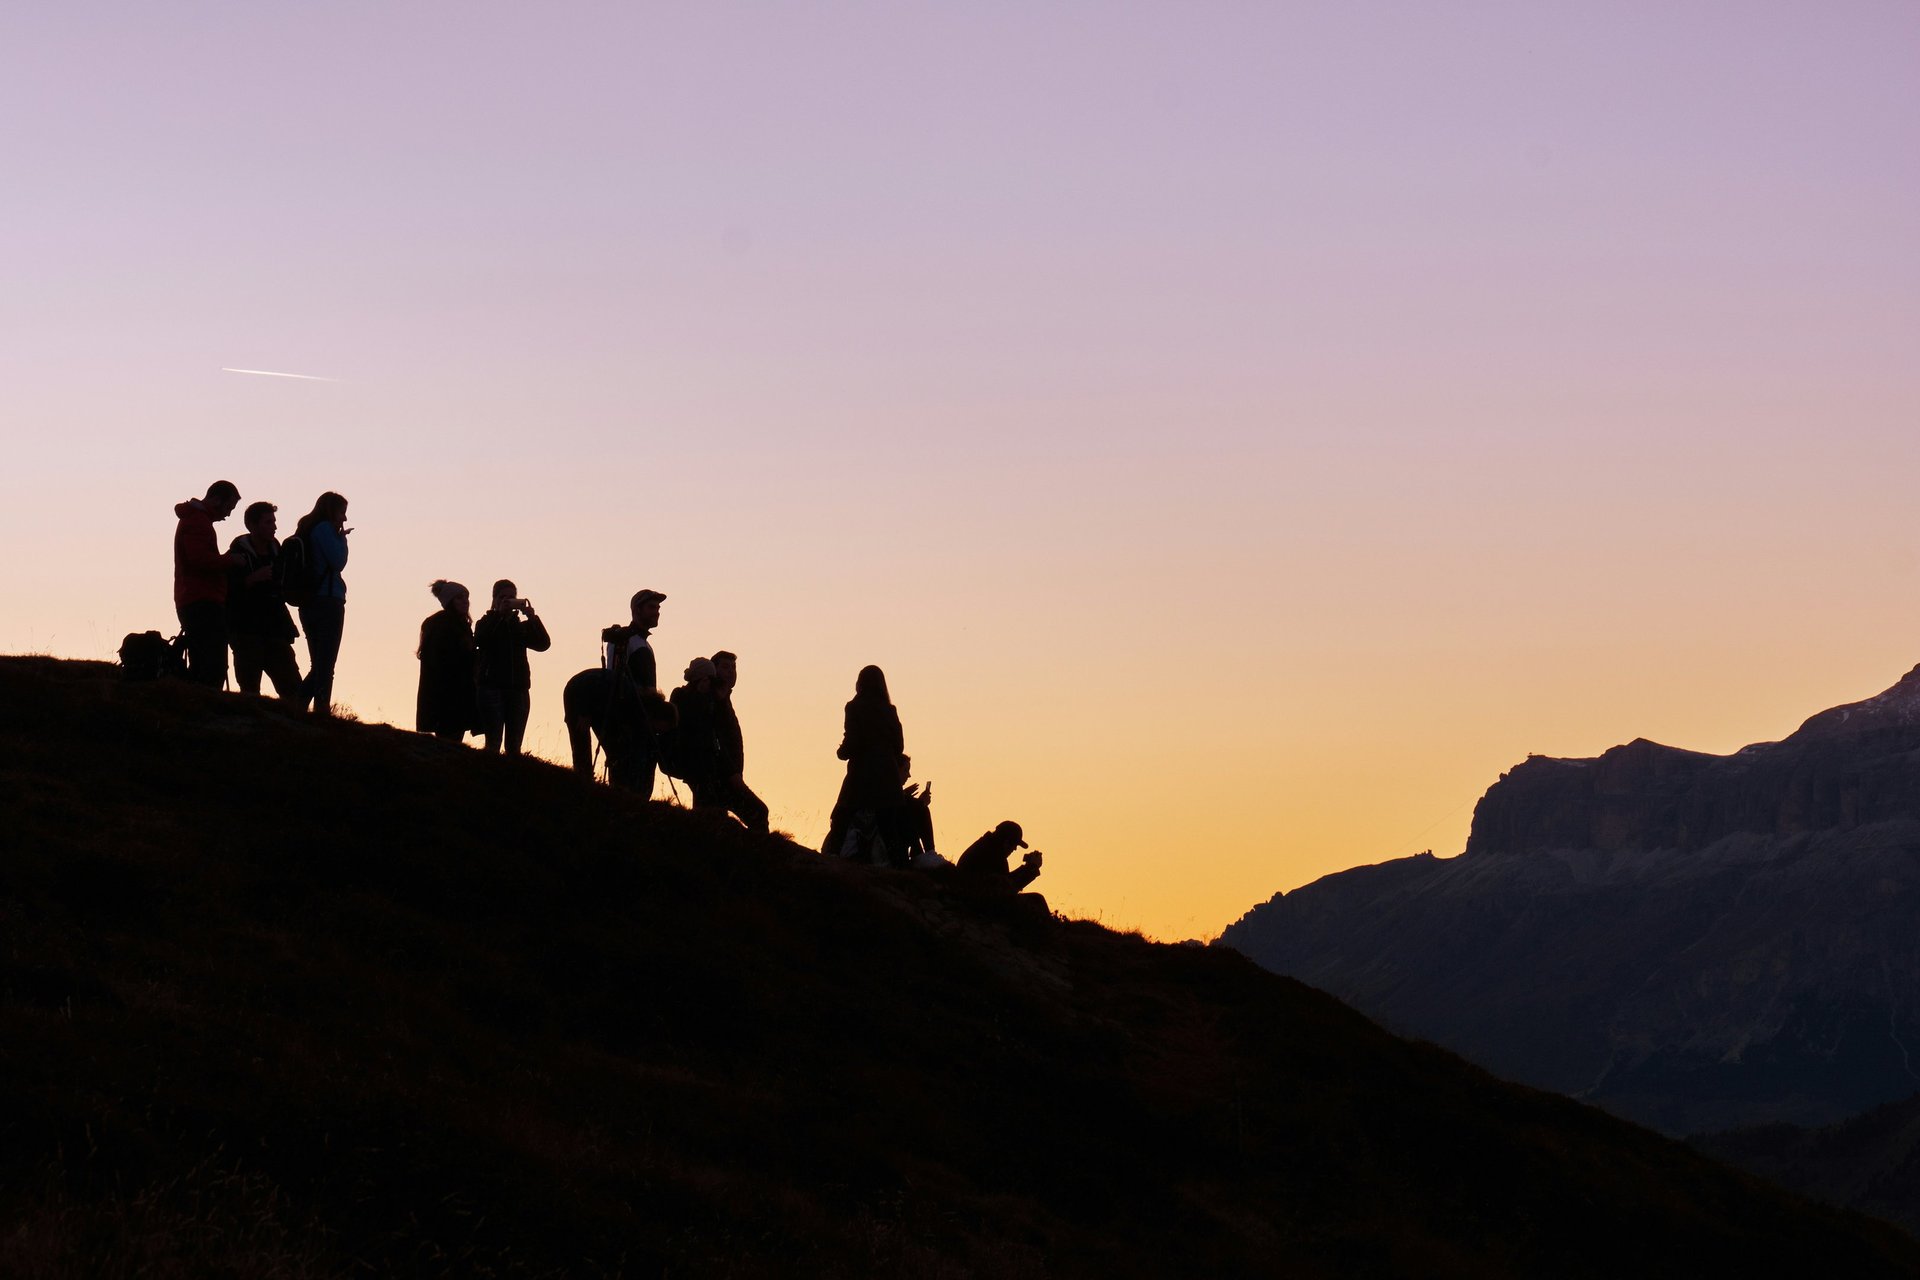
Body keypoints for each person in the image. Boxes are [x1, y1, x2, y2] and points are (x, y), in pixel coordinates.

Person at [823, 665, 905, 865]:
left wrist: (841, 752)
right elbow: (899, 746)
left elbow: (852, 741)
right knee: (889, 829)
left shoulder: (854, 707)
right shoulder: (890, 709)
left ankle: (830, 860)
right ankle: (901, 868)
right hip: (888, 777)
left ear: (860, 683)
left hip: (862, 776)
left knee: (841, 817)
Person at [225, 500, 302, 699]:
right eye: (268, 522)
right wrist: (252, 579)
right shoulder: (236, 554)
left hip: (275, 628)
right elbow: (227, 590)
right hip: (246, 630)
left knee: (293, 689)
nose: (274, 526)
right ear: (252, 525)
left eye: (274, 521)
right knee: (250, 690)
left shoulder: (278, 551)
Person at [172, 480, 242, 688]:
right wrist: (231, 560)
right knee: (212, 664)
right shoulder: (198, 522)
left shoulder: (195, 520)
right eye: (228, 507)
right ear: (216, 499)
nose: (228, 514)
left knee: (202, 660)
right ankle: (206, 706)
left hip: (193, 597)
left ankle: (198, 704)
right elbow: (199, 560)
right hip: (202, 599)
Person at [599, 589, 669, 795]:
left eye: (658, 608)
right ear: (636, 610)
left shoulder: (642, 642)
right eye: (651, 607)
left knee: (643, 777)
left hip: (644, 719)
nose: (657, 612)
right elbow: (613, 678)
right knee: (627, 776)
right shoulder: (623, 640)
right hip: (629, 719)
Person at [473, 579, 551, 755]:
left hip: (518, 689)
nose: (507, 601)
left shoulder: (520, 627)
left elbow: (543, 644)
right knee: (493, 743)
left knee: (514, 746)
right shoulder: (485, 622)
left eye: (512, 597)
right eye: (503, 597)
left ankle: (512, 777)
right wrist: (499, 616)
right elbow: (481, 640)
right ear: (494, 600)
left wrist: (532, 617)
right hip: (491, 687)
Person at [294, 491, 350, 716]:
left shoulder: (306, 529)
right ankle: (317, 709)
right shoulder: (325, 529)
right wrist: (342, 539)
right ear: (332, 511)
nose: (344, 519)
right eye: (342, 513)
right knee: (326, 663)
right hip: (328, 600)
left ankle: (299, 705)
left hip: (308, 602)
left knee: (319, 662)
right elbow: (338, 562)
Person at [709, 650, 770, 834]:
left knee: (713, 823)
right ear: (715, 670)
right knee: (759, 812)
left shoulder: (723, 700)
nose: (731, 672)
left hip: (727, 776)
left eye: (734, 667)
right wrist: (731, 773)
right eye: (725, 667)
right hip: (721, 777)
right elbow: (715, 740)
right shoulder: (713, 702)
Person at [416, 580, 477, 742]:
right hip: (446, 694)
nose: (465, 601)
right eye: (459, 598)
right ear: (450, 602)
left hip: (458, 692)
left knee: (452, 740)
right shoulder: (441, 624)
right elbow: (442, 659)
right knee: (448, 741)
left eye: (466, 597)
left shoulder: (461, 624)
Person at [669, 657, 726, 809]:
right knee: (705, 801)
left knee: (707, 801)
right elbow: (690, 724)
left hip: (705, 760)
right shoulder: (681, 695)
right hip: (691, 758)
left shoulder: (708, 699)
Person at [955, 821, 1044, 895]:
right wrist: (1031, 868)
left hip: (970, 897)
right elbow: (1005, 890)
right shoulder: (992, 855)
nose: (1015, 849)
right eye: (1014, 845)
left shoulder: (986, 848)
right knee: (1036, 899)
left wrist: (1028, 868)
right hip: (974, 902)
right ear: (1006, 842)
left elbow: (1003, 881)